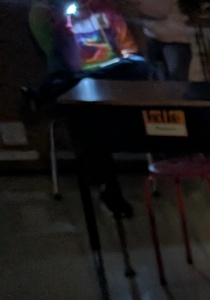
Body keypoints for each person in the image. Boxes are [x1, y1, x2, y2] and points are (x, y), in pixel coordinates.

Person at [27, 0, 153, 217]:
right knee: (86, 109)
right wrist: (64, 27)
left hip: (109, 79)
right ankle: (109, 189)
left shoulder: (104, 8)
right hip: (74, 84)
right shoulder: (42, 14)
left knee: (139, 65)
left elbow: (130, 51)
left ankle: (43, 91)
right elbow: (71, 63)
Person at [133, 0, 192, 81]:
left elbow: (160, 11)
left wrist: (133, 7)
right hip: (152, 38)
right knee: (157, 80)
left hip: (174, 40)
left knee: (177, 81)